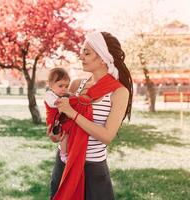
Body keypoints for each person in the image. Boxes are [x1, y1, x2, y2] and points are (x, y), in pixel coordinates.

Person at [47, 31, 133, 200]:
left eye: (87, 53)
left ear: (103, 58)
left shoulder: (119, 92)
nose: (81, 57)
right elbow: (62, 125)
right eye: (82, 52)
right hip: (64, 162)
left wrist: (73, 114)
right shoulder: (76, 84)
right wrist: (55, 133)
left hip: (93, 169)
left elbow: (107, 136)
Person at [44, 67, 71, 163]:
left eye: (66, 86)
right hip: (54, 121)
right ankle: (63, 154)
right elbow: (52, 103)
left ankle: (68, 151)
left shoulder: (61, 95)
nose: (64, 89)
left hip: (60, 119)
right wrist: (65, 100)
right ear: (51, 85)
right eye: (61, 86)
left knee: (67, 133)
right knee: (64, 135)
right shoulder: (49, 94)